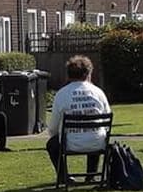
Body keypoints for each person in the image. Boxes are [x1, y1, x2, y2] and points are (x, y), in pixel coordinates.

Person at [47, 55, 111, 184]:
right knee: (96, 133)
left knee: (52, 144)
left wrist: (55, 135)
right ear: (88, 74)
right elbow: (107, 121)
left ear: (68, 75)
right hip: (98, 142)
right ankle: (91, 174)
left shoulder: (62, 94)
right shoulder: (98, 92)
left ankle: (63, 176)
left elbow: (53, 127)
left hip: (70, 143)